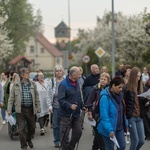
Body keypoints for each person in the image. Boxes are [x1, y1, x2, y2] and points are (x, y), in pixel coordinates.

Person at [7, 68, 41, 150]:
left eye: (28, 73)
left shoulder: (33, 84)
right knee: (21, 129)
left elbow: (36, 96)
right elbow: (11, 98)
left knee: (32, 127)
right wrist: (9, 109)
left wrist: (38, 107)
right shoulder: (16, 84)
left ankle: (28, 139)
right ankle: (24, 146)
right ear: (22, 75)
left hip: (30, 109)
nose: (28, 74)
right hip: (20, 109)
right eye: (26, 73)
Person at [58, 66, 84, 150]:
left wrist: (83, 106)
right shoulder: (63, 84)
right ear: (73, 75)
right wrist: (70, 106)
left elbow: (79, 96)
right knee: (64, 135)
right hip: (66, 114)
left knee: (78, 132)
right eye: (79, 74)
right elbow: (61, 100)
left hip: (76, 114)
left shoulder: (77, 83)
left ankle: (70, 147)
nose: (80, 76)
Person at [97, 76, 126, 150]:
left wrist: (126, 124)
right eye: (119, 87)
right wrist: (109, 130)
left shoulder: (120, 96)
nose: (121, 89)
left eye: (122, 87)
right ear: (113, 86)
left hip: (119, 127)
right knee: (109, 148)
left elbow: (122, 112)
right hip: (109, 129)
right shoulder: (105, 97)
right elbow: (104, 116)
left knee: (122, 146)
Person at [86, 72, 111, 150]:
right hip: (97, 116)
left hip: (106, 115)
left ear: (108, 81)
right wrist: (89, 112)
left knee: (98, 138)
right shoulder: (95, 88)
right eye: (101, 79)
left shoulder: (109, 89)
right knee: (100, 137)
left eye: (105, 79)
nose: (102, 81)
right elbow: (89, 101)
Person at [123, 67, 145, 150]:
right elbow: (123, 102)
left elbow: (141, 102)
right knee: (135, 141)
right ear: (133, 76)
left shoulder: (140, 87)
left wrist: (146, 101)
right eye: (137, 77)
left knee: (142, 141)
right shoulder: (126, 88)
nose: (138, 79)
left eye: (140, 77)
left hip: (139, 116)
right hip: (131, 116)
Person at [46, 65, 65, 148]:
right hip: (56, 107)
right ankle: (57, 141)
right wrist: (49, 106)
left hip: (65, 107)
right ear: (55, 72)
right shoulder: (51, 81)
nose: (59, 72)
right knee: (56, 125)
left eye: (60, 71)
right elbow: (48, 94)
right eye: (57, 71)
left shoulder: (66, 80)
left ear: (62, 72)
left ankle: (64, 140)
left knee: (64, 125)